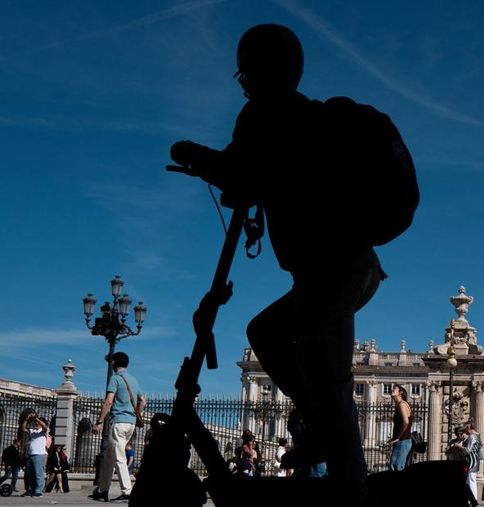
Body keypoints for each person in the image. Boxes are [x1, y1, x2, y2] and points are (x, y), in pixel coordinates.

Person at [168, 23, 415, 497]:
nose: (242, 83)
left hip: (335, 269)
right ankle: (325, 427)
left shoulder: (266, 115)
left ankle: (349, 481)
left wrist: (191, 154)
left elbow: (236, 169)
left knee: (333, 377)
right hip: (349, 269)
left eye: (245, 73)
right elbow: (255, 177)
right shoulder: (309, 116)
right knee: (269, 334)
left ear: (256, 72)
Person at [89, 351, 145, 502]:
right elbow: (143, 401)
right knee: (109, 457)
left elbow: (108, 402)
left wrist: (99, 422)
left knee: (119, 457)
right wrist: (136, 413)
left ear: (114, 363)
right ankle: (102, 490)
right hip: (131, 424)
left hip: (119, 422)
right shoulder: (133, 380)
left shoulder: (115, 378)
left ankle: (128, 491)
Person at [21, 412, 48, 497]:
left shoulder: (43, 431)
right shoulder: (32, 431)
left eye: (38, 422)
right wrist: (27, 419)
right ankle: (29, 491)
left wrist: (36, 418)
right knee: (28, 474)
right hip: (30, 454)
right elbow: (23, 428)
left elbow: (44, 426)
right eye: (35, 422)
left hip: (39, 455)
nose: (36, 423)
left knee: (38, 474)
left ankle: (38, 491)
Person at [386, 384, 412, 471]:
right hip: (403, 441)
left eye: (394, 388)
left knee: (395, 468)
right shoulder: (400, 405)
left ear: (400, 392)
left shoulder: (402, 404)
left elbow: (406, 422)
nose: (391, 389)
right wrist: (394, 438)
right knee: (397, 467)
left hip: (403, 441)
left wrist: (398, 437)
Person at [462, 424, 482, 504]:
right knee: (471, 481)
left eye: (465, 429)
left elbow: (468, 450)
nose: (465, 431)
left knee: (470, 481)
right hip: (475, 461)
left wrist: (459, 447)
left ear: (469, 428)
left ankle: (473, 501)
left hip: (471, 462)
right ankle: (473, 500)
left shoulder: (471, 437)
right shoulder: (478, 436)